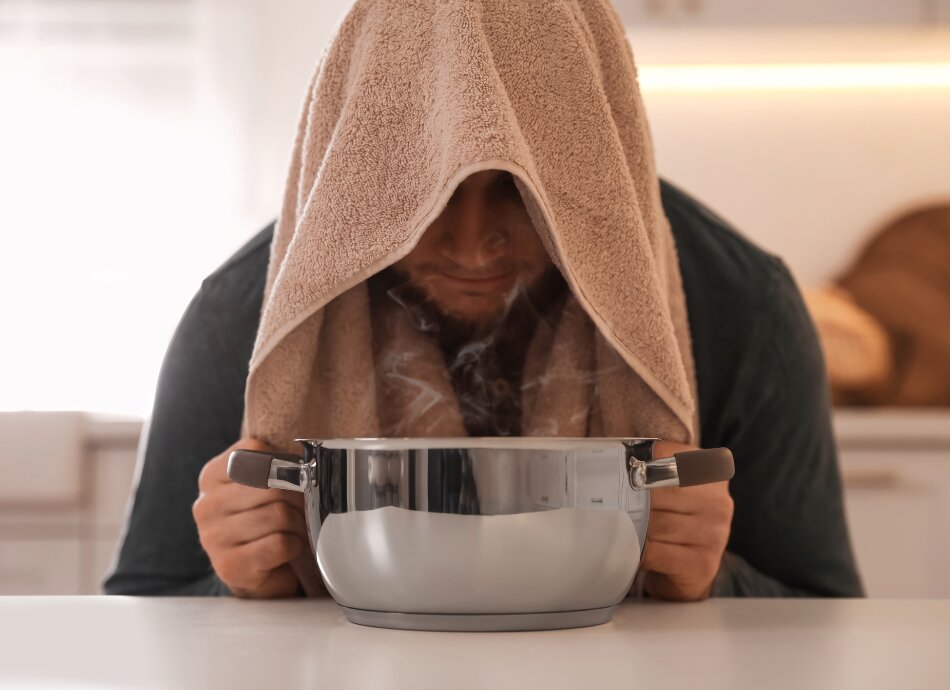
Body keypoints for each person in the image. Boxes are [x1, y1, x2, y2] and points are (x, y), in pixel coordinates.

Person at [103, 0, 863, 601]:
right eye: (425, 190)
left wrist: (713, 576)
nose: (471, 246)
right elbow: (142, 601)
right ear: (370, 166)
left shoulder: (738, 307)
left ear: (586, 165)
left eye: (516, 190)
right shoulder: (248, 314)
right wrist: (241, 579)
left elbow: (829, 616)